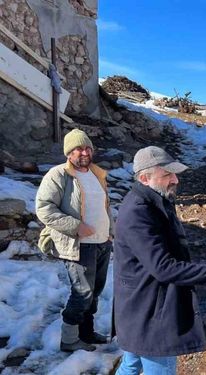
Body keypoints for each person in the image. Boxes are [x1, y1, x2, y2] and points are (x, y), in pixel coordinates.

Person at [113, 146, 206, 375]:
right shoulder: (138, 213)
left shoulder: (154, 199)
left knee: (131, 364)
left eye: (174, 173)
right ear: (144, 178)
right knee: (157, 368)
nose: (175, 179)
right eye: (167, 175)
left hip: (139, 307)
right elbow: (163, 268)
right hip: (150, 311)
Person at [36, 129, 113, 352]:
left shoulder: (97, 174)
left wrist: (111, 231)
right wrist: (76, 226)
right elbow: (44, 209)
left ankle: (86, 333)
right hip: (78, 244)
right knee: (82, 293)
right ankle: (69, 340)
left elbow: (105, 207)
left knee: (95, 291)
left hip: (102, 243)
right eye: (79, 148)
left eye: (88, 148)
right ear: (69, 152)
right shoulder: (58, 175)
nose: (85, 152)